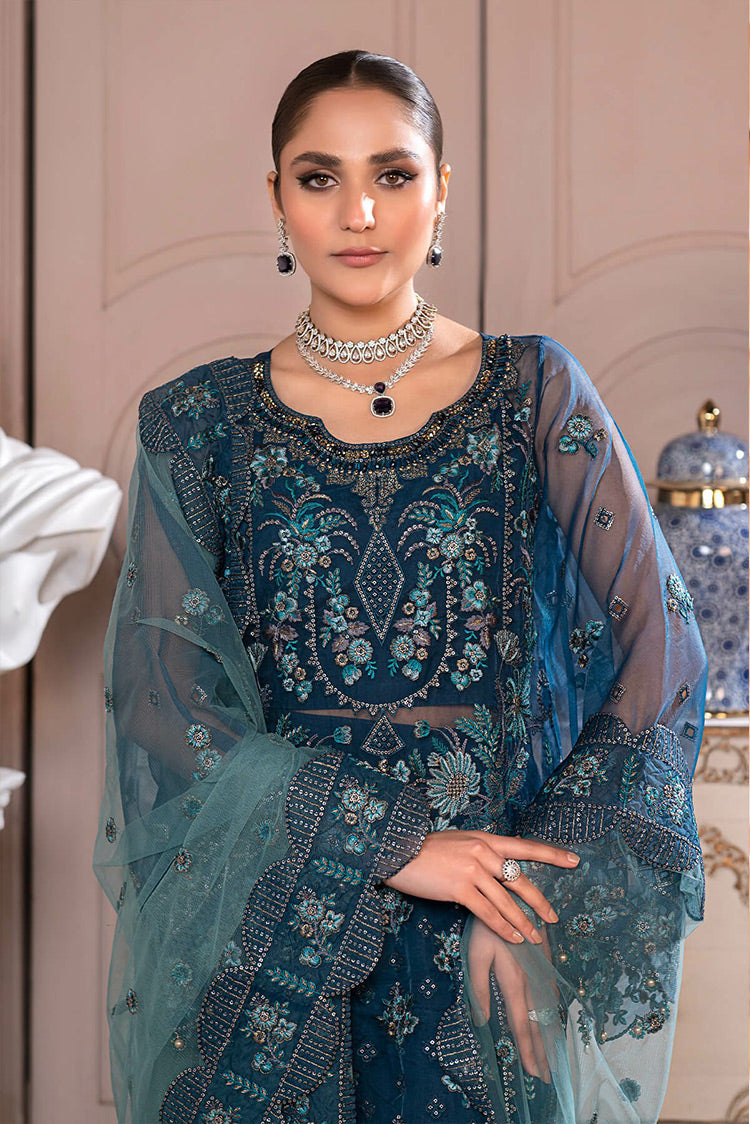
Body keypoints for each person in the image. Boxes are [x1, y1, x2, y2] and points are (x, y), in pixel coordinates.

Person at [94, 50, 708, 1124]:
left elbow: (662, 651)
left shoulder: (534, 393)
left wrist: (528, 902)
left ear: (441, 191)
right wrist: (395, 843)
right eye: (319, 177)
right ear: (276, 198)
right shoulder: (196, 425)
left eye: (393, 173)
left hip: (484, 937)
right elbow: (164, 706)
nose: (360, 212)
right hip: (279, 937)